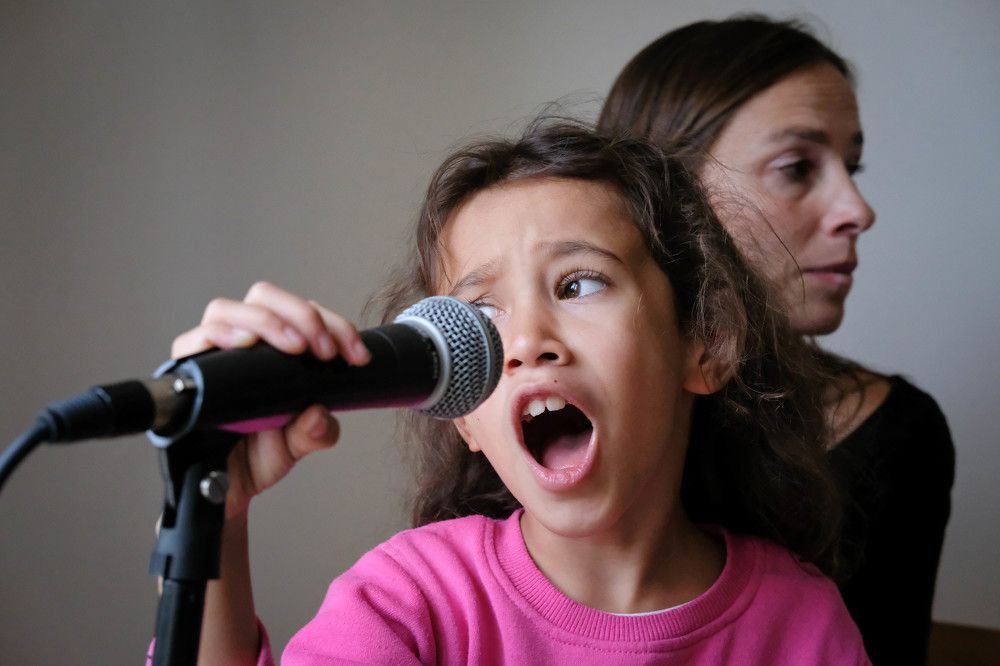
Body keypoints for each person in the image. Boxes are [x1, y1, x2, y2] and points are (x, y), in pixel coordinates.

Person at [152, 120, 869, 664]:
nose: (526, 340)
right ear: (462, 409)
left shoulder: (803, 625)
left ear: (706, 341)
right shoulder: (415, 600)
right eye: (482, 318)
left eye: (580, 283)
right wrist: (216, 517)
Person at [597, 15, 955, 664]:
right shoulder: (542, 407)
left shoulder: (898, 434)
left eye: (852, 166)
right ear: (669, 197)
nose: (858, 209)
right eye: (797, 167)